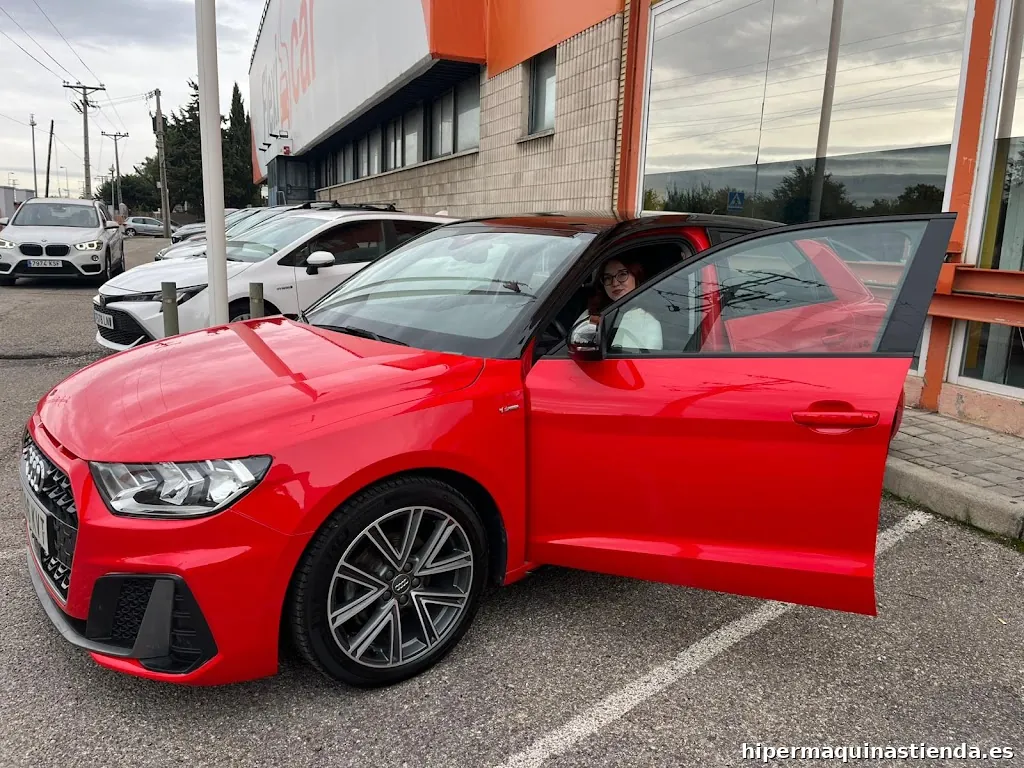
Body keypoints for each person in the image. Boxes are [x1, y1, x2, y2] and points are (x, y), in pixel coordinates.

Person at [578, 257, 663, 351]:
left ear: (636, 276)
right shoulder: (591, 313)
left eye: (622, 274)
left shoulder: (648, 322)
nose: (615, 283)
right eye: (607, 278)